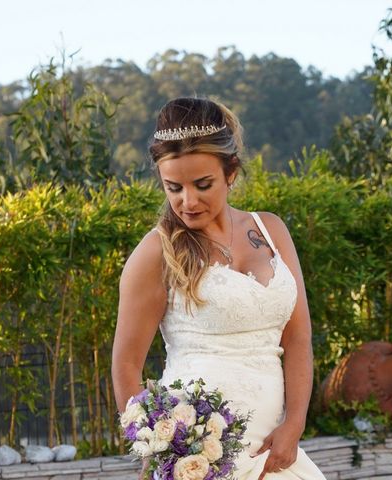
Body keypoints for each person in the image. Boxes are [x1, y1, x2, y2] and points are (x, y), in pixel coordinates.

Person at [111, 97, 326, 480]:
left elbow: (298, 336)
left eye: (202, 184)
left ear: (231, 172)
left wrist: (294, 424)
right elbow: (126, 365)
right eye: (173, 187)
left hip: (274, 449)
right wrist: (164, 452)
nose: (187, 201)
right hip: (200, 462)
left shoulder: (271, 231)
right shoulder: (156, 253)